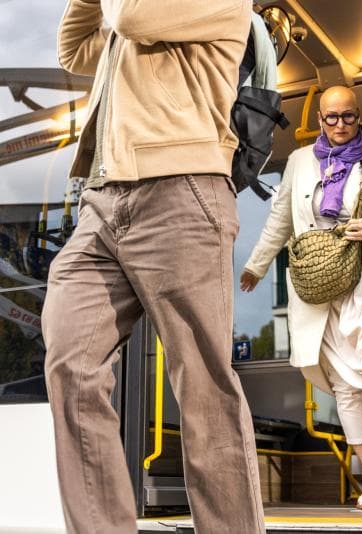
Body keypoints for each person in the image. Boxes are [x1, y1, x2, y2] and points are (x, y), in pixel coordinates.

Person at [42, 2, 265, 533]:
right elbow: (75, 50)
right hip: (102, 203)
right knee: (70, 361)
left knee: (204, 385)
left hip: (182, 192)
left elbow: (131, 17)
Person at [241, 85, 362, 510]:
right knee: (346, 386)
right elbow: (280, 220)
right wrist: (256, 267)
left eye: (347, 117)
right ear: (318, 120)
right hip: (320, 290)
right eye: (331, 118)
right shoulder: (299, 162)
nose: (340, 125)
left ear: (358, 115)